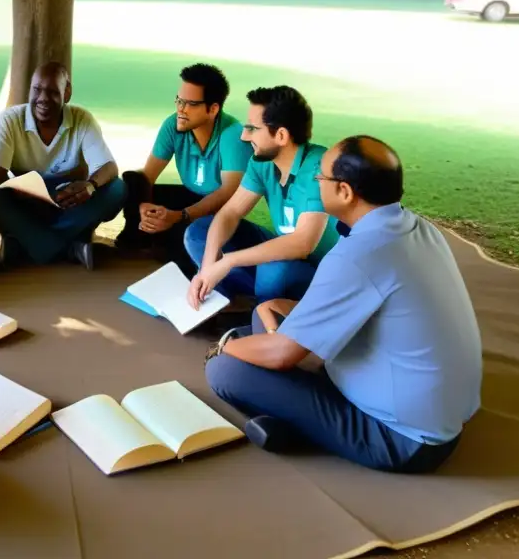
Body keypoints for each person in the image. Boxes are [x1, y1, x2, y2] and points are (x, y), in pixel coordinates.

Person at [203, 136, 482, 474]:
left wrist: (224, 346)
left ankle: (299, 429)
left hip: (405, 439)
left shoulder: (359, 254)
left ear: (345, 192)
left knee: (226, 370)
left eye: (320, 177)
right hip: (444, 411)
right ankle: (294, 421)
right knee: (264, 321)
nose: (316, 182)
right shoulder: (416, 228)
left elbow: (280, 355)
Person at [185, 85, 339, 306]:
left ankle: (267, 313)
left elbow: (303, 244)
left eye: (252, 128)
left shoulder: (319, 167)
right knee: (199, 232)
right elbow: (230, 212)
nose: (244, 136)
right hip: (284, 254)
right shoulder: (262, 162)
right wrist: (208, 266)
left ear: (281, 135)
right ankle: (219, 295)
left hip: (319, 271)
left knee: (274, 269)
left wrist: (228, 261)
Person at [0, 62, 126, 270]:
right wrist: (28, 193)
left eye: (53, 92)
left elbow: (109, 167)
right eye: (37, 90)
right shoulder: (8, 120)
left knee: (117, 188)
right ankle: (72, 247)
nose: (43, 99)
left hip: (68, 202)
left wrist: (90, 185)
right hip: (26, 202)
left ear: (67, 93)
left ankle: (27, 244)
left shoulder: (82, 119)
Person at [116, 63, 251, 270]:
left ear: (213, 109)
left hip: (222, 210)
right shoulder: (173, 125)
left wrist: (180, 216)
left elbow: (228, 193)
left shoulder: (233, 134)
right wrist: (142, 205)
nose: (180, 109)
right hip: (189, 196)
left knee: (183, 239)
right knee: (132, 181)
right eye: (179, 100)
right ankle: (137, 242)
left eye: (190, 104)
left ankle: (172, 247)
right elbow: (147, 175)